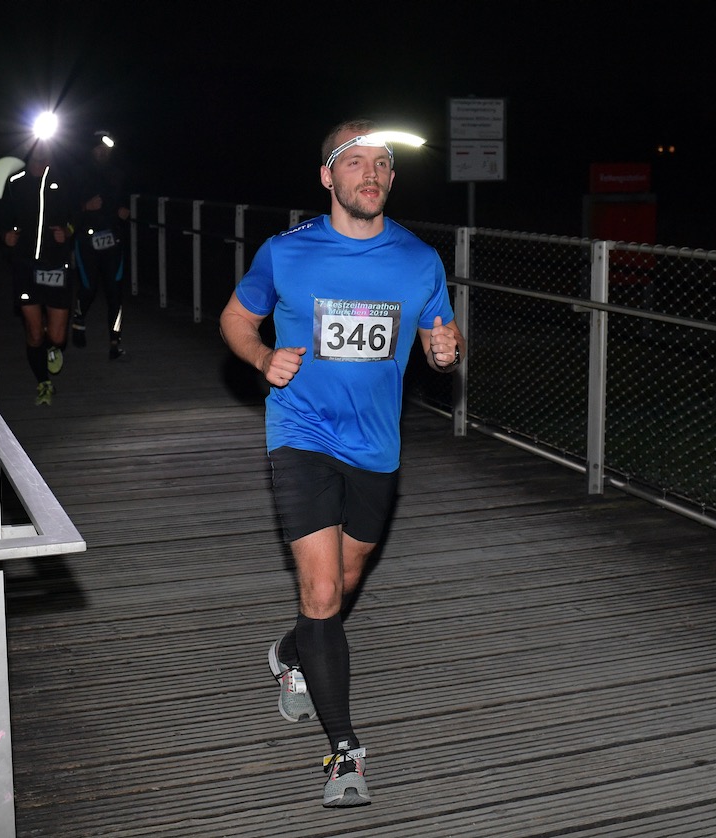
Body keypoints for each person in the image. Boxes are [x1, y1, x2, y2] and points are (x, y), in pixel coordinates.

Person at [219, 118, 465, 807]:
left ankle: (292, 653)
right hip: (300, 434)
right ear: (328, 177)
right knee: (322, 592)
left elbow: (440, 336)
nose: (372, 175)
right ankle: (344, 752)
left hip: (376, 447)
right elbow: (236, 321)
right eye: (356, 164)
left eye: (384, 164)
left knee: (346, 579)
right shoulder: (286, 252)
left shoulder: (418, 259)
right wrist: (264, 357)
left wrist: (448, 352)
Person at [0, 143, 74, 405]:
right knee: (34, 333)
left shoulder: (63, 180)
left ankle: (53, 348)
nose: (41, 154)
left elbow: (77, 215)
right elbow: (4, 218)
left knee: (56, 336)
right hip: (25, 266)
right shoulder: (15, 181)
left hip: (56, 266)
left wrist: (68, 232)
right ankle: (44, 383)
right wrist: (7, 234)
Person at [71, 129, 130, 360]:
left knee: (115, 294)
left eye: (106, 149)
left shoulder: (119, 175)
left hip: (113, 240)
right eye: (98, 148)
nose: (102, 152)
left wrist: (124, 211)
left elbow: (125, 202)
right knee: (88, 288)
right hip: (86, 239)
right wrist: (85, 208)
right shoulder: (77, 174)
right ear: (91, 150)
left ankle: (115, 344)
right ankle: (78, 319)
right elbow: (66, 209)